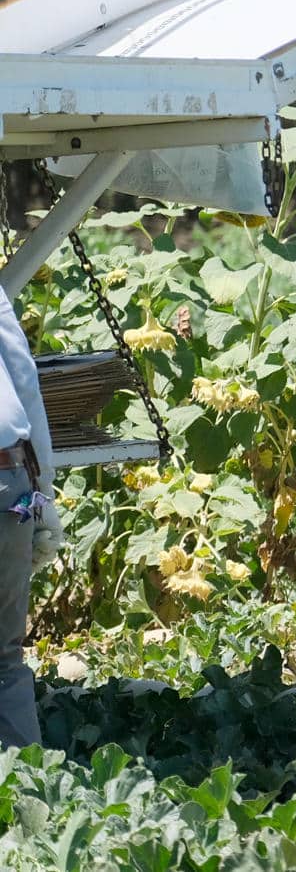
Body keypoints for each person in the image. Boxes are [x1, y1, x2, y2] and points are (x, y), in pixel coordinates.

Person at [0, 284, 58, 749]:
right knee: (3, 659)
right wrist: (46, 505)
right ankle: (29, 796)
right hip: (11, 481)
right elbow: (24, 378)